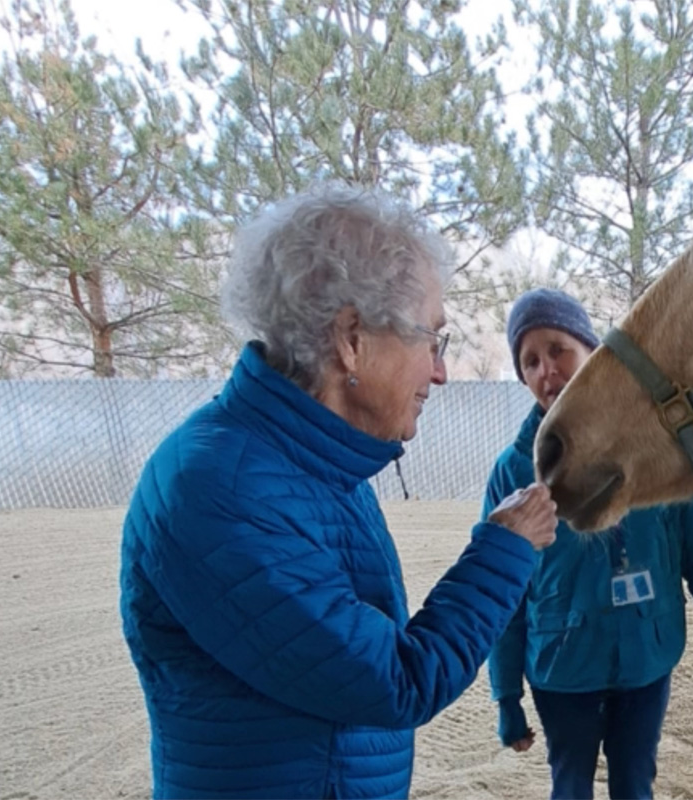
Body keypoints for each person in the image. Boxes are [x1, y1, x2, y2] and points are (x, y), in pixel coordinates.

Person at [118, 185, 557, 800]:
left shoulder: (315, 465)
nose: (440, 371)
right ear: (351, 338)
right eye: (432, 340)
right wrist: (505, 548)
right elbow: (397, 680)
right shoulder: (220, 490)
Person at [482, 287, 693, 800]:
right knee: (571, 788)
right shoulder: (514, 472)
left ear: (592, 352)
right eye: (530, 361)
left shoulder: (658, 451)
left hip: (645, 666)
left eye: (558, 349)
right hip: (561, 671)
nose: (546, 371)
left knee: (634, 786)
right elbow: (504, 590)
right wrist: (506, 695)